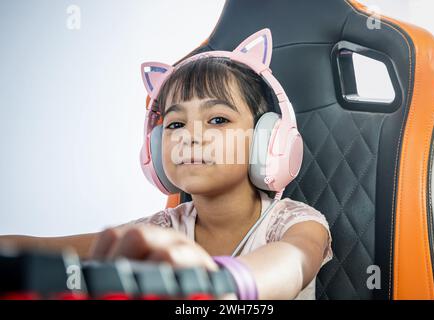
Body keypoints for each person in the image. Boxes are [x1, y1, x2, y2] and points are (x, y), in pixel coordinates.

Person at [0, 28, 333, 300]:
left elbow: (292, 262)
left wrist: (218, 283)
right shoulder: (163, 228)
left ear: (268, 141)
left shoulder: (296, 222)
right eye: (175, 125)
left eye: (217, 119)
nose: (191, 136)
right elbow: (46, 249)